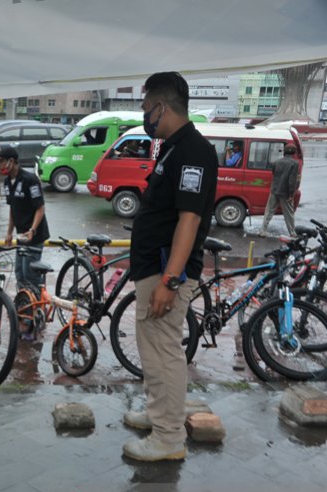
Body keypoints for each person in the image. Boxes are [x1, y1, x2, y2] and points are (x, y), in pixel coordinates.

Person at [123, 72, 218, 462]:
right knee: (153, 350)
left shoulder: (193, 151)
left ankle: (167, 438)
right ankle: (157, 413)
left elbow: (189, 220)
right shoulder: (174, 148)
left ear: (162, 106)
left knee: (163, 352)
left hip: (166, 272)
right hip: (154, 268)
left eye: (147, 109)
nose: (146, 117)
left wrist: (170, 279)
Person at [1, 146, 50, 294]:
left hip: (34, 235)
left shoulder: (30, 180)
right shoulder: (7, 182)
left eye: (1, 162)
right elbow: (12, 209)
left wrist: (32, 230)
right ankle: (24, 306)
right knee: (19, 273)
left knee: (30, 275)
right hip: (21, 235)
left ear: (11, 161)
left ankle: (35, 311)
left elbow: (40, 208)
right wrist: (9, 233)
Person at [259, 144, 299, 237]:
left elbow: (273, 173)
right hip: (285, 192)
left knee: (269, 211)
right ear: (293, 153)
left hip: (274, 190)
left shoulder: (277, 161)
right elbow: (291, 181)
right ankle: (292, 233)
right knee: (289, 214)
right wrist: (291, 195)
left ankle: (262, 231)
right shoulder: (295, 163)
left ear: (284, 152)